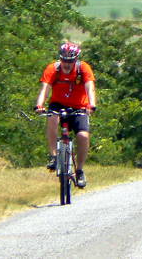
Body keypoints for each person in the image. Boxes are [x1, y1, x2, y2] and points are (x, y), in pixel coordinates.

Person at [34, 42, 96, 188]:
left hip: (80, 106)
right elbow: (45, 89)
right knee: (52, 118)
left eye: (70, 61)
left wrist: (92, 104)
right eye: (64, 60)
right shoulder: (53, 69)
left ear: (76, 59)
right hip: (58, 104)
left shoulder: (83, 68)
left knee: (83, 136)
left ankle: (79, 170)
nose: (67, 64)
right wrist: (39, 105)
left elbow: (90, 87)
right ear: (60, 59)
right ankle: (54, 156)